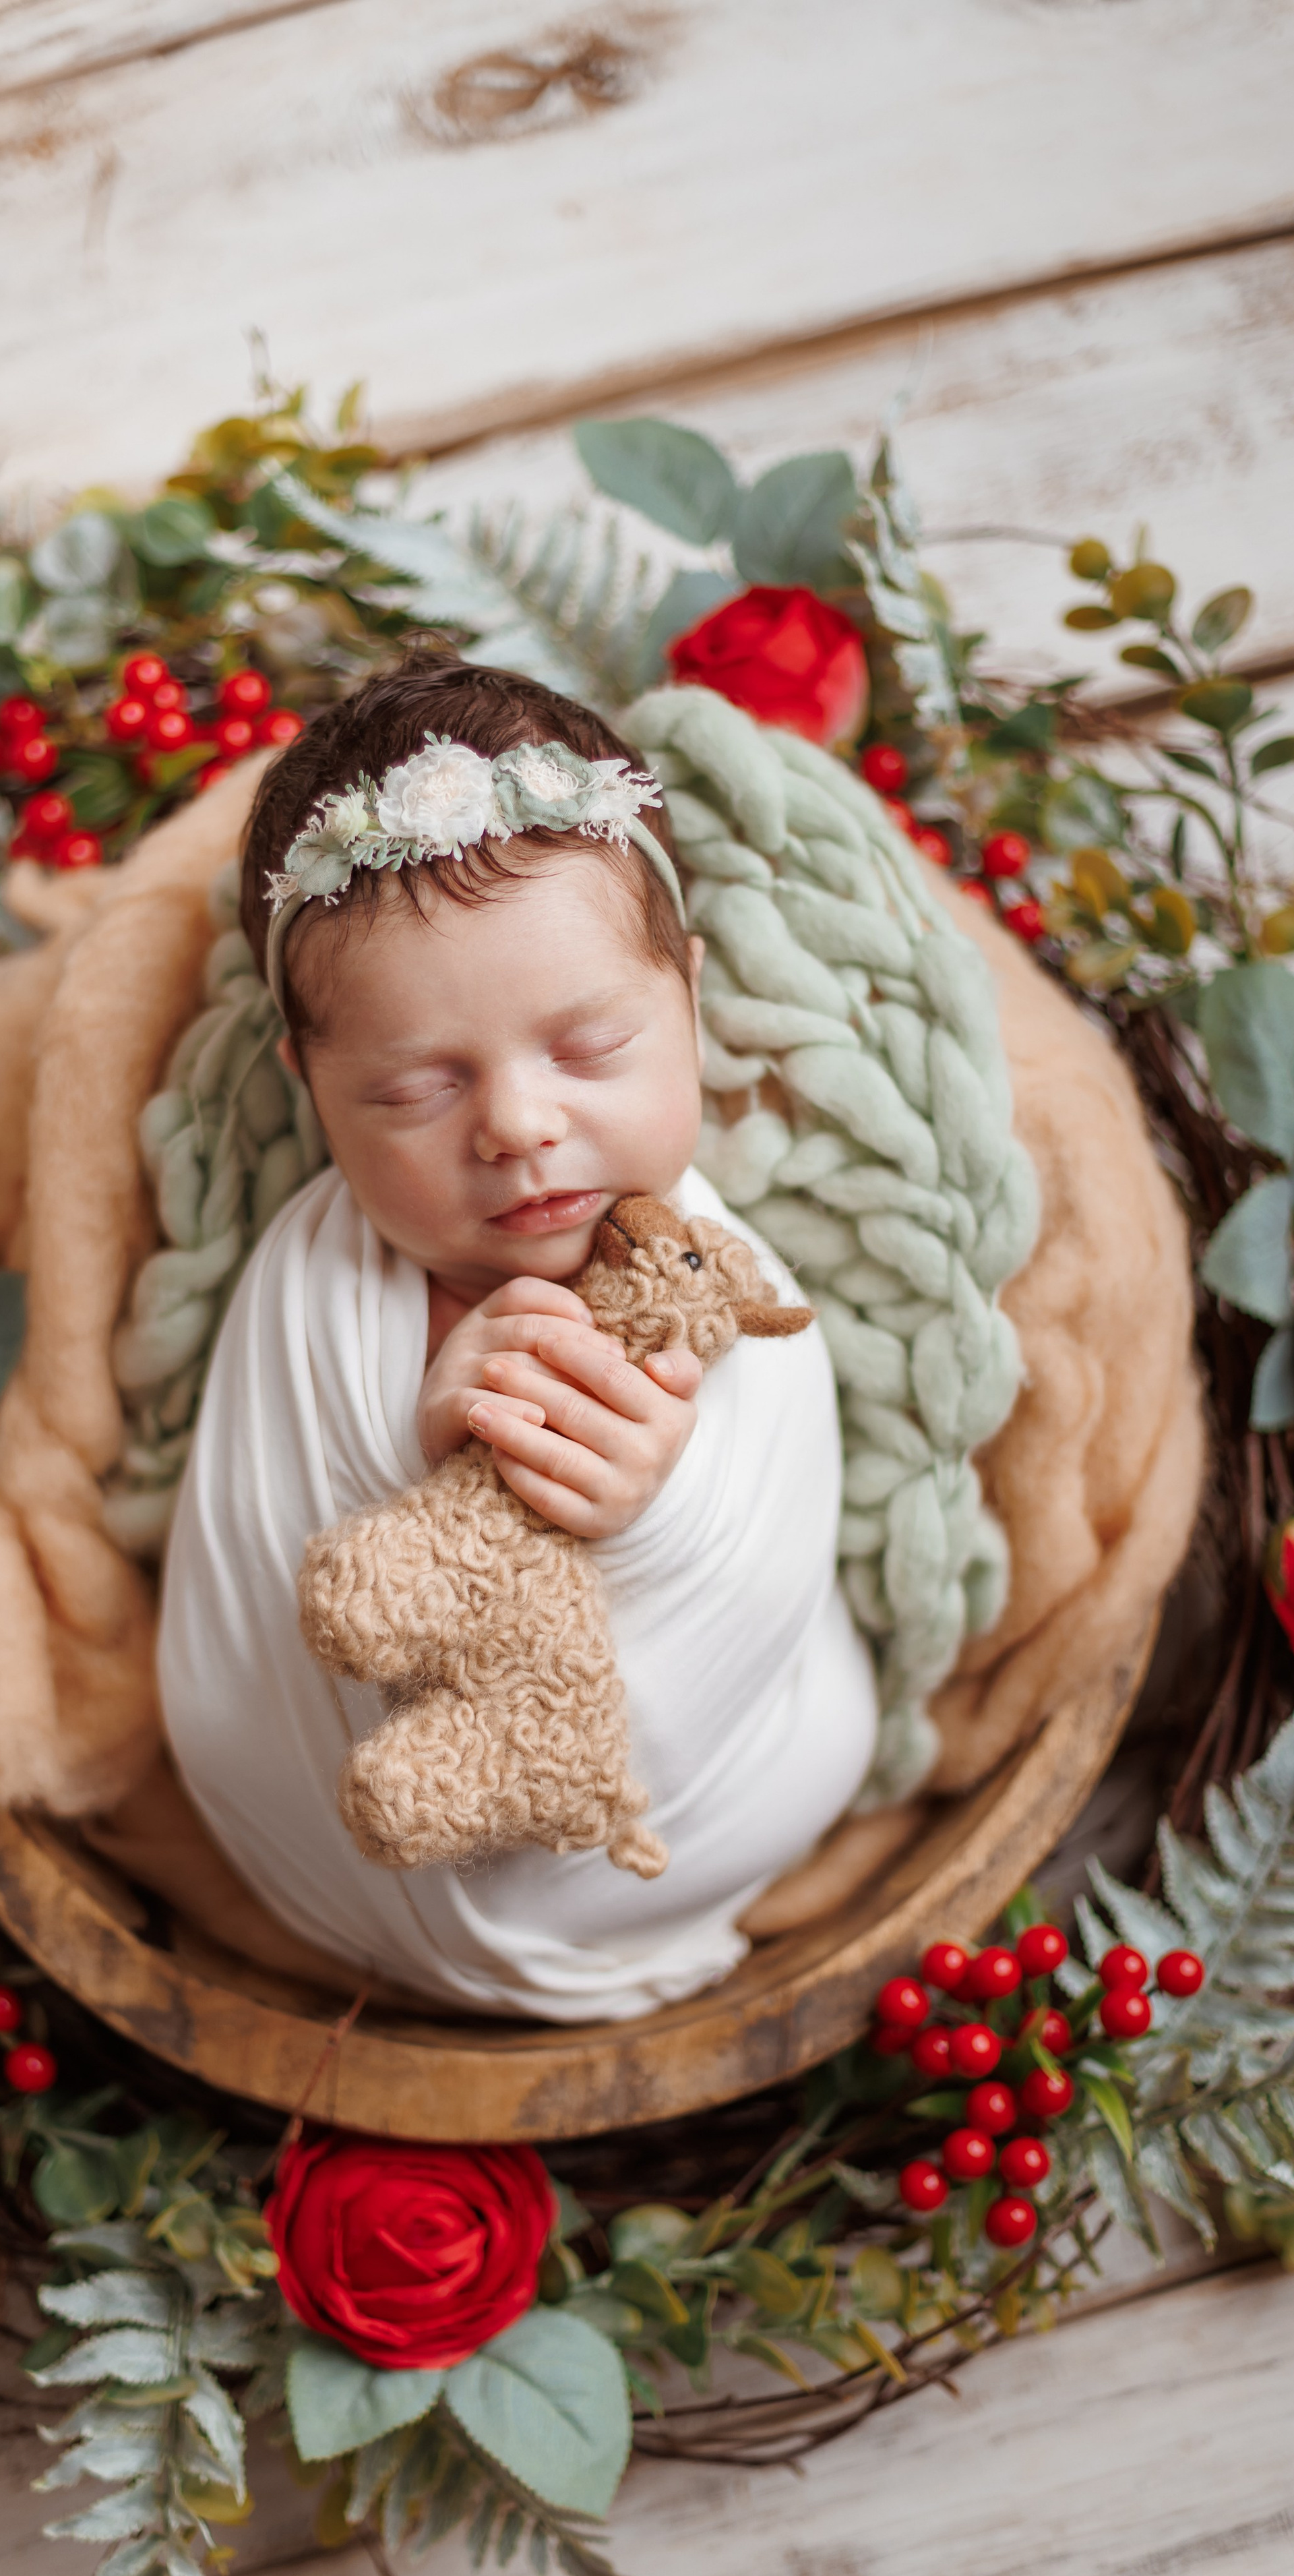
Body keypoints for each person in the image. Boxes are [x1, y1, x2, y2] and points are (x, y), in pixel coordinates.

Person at [158, 651, 877, 2020]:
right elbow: (267, 1573)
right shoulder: (308, 1289)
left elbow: (771, 1539)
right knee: (239, 1713)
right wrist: (410, 1452)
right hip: (330, 1837)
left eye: (590, 1047)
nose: (516, 1125)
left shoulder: (727, 1282)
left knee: (825, 1723)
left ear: (690, 995)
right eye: (417, 1087)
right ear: (308, 1082)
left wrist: (657, 1514)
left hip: (689, 1804)